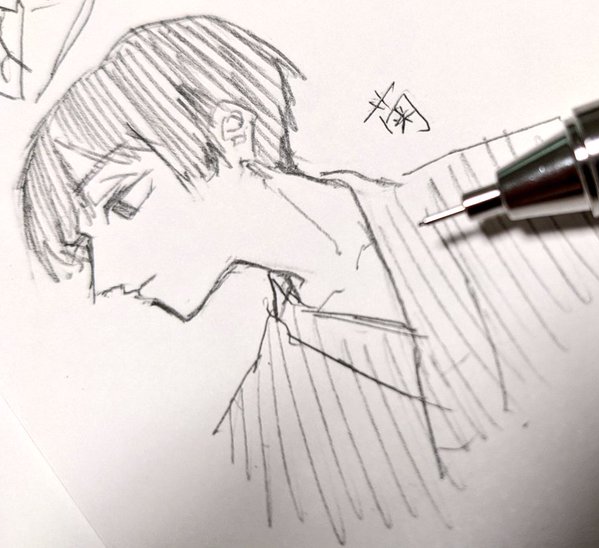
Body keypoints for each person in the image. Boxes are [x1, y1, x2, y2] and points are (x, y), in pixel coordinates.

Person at [20, 15, 512, 542]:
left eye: (123, 201)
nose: (109, 276)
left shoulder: (491, 183)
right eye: (86, 245)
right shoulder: (260, 448)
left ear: (233, 134)